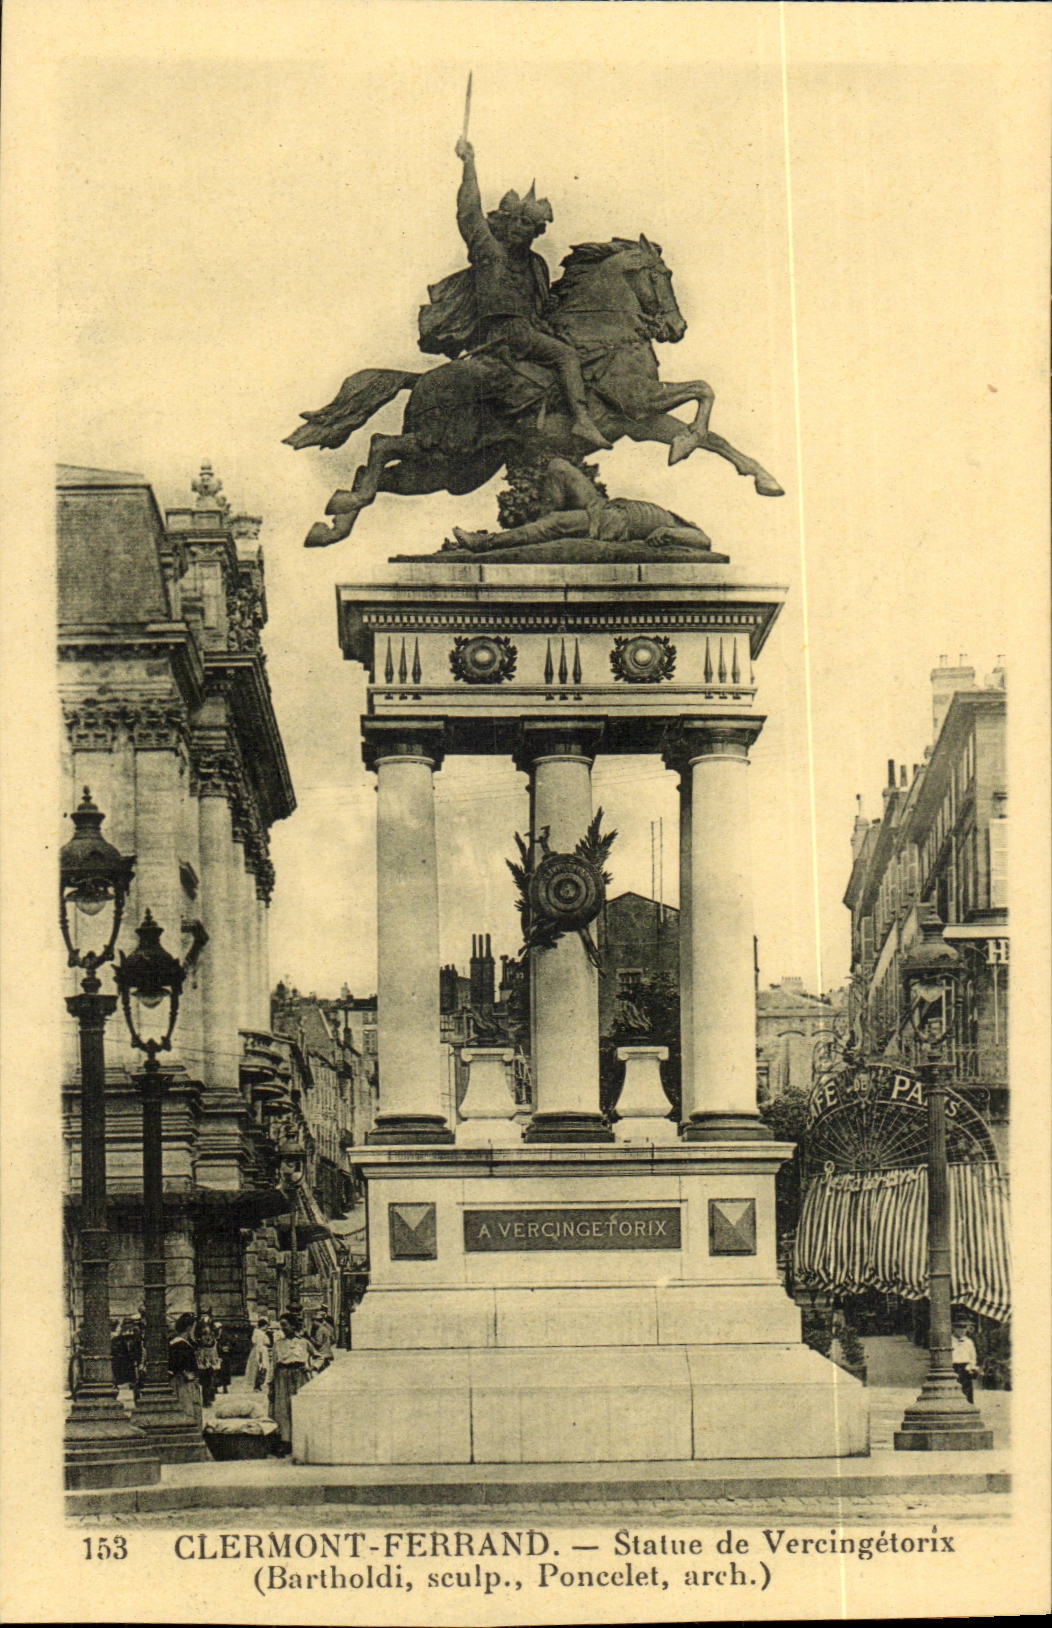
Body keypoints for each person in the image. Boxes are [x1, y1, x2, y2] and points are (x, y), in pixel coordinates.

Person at [430, 138, 611, 453]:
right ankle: (582, 419)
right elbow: (469, 211)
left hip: (528, 330)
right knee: (565, 356)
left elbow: (544, 304)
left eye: (526, 224)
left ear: (536, 231)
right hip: (505, 333)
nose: (517, 227)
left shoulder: (536, 264)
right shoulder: (489, 250)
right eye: (513, 221)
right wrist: (469, 163)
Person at [447, 456, 712, 554]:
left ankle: (487, 543)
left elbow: (704, 542)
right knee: (558, 467)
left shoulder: (681, 532)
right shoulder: (675, 519)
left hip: (617, 524)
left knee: (556, 524)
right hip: (609, 506)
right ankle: (533, 532)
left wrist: (670, 533)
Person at [269, 1315, 314, 1456]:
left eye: (285, 1325)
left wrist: (311, 1367)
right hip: (282, 1376)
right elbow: (273, 1365)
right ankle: (285, 1442)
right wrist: (271, 1384)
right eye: (281, 1325)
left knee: (300, 1407)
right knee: (283, 1409)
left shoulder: (304, 1343)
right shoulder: (278, 1344)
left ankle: (301, 1439)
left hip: (299, 1376)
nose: (283, 1328)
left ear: (294, 1326)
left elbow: (320, 1356)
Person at [168, 1311, 202, 1426]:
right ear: (189, 1328)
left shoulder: (177, 1343)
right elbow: (179, 1366)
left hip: (183, 1383)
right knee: (189, 1410)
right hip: (184, 1384)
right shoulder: (181, 1345)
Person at [195, 1309, 222, 1408]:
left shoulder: (211, 1326)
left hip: (211, 1353)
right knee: (205, 1376)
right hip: (203, 1354)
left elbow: (215, 1337)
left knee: (211, 1375)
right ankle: (207, 1397)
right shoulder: (200, 1325)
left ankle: (210, 1394)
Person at [952, 1319, 980, 1403]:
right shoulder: (950, 1341)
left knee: (966, 1392)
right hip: (954, 1368)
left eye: (964, 1327)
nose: (962, 1330)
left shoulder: (969, 1342)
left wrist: (972, 1367)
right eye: (959, 1327)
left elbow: (973, 1357)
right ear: (954, 1328)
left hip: (965, 1369)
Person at [244, 1317, 273, 1392]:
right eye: (266, 1326)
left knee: (259, 1368)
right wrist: (260, 1356)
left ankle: (258, 1384)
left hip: (259, 1350)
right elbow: (260, 1345)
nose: (267, 1328)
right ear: (263, 1326)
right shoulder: (259, 1334)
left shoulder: (258, 1333)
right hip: (260, 1351)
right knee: (261, 1367)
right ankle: (257, 1385)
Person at [309, 1307, 335, 1373]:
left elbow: (318, 1344)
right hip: (327, 1352)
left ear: (317, 1321)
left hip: (322, 1353)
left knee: (322, 1372)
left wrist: (311, 1339)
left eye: (314, 1321)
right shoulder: (325, 1328)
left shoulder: (319, 1330)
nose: (313, 1323)